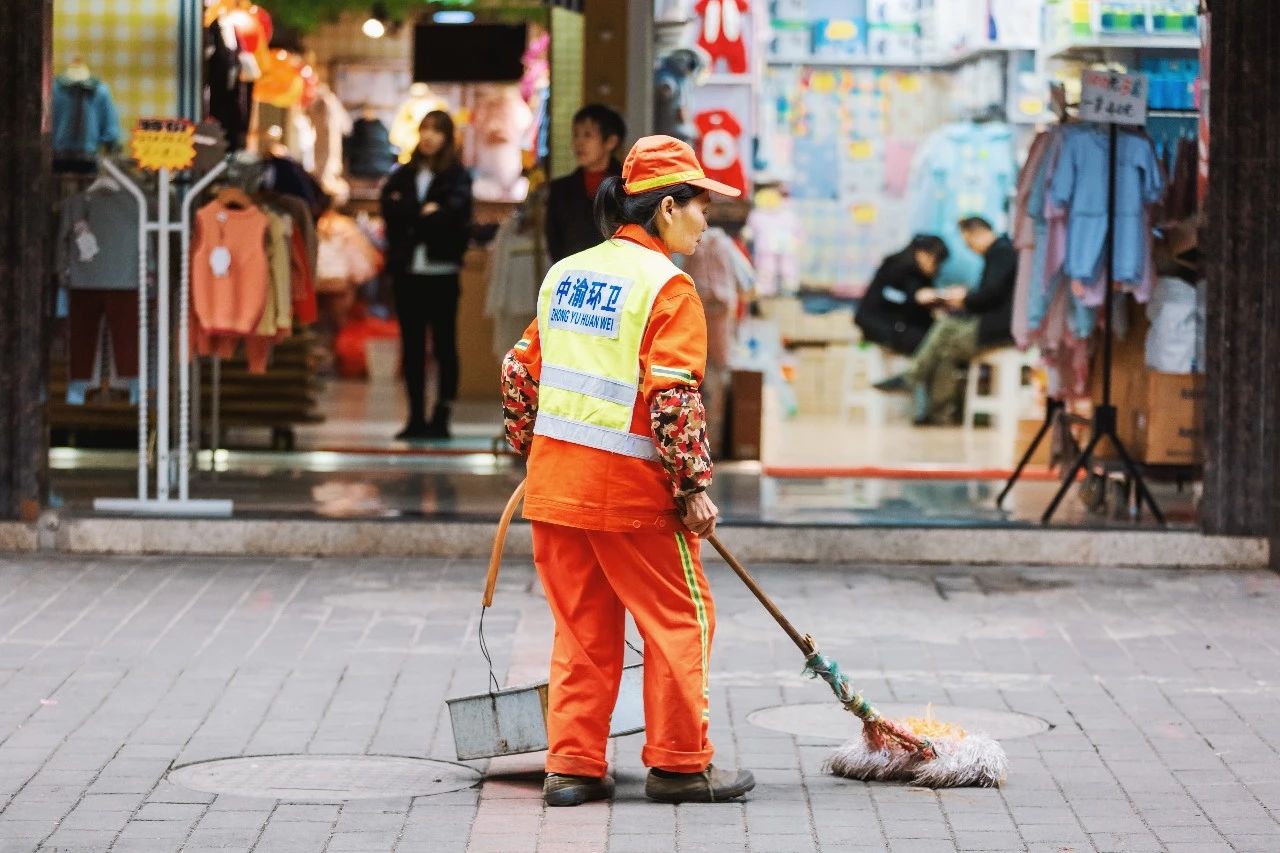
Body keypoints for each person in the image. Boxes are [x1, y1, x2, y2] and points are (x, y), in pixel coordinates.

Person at [501, 135, 756, 807]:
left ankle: (574, 766)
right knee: (682, 618)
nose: (708, 221)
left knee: (583, 630)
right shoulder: (667, 287)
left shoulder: (566, 273)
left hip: (556, 490)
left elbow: (518, 371)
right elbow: (673, 395)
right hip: (632, 496)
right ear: (668, 207)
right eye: (703, 207)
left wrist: (527, 447)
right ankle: (679, 763)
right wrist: (693, 487)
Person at [380, 110, 473, 440]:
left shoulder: (457, 175)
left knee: (445, 346)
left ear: (448, 137)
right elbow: (388, 209)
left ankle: (442, 414)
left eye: (437, 130)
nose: (430, 136)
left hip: (442, 272)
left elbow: (454, 218)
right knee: (412, 347)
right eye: (425, 129)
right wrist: (425, 214)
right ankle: (415, 416)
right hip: (408, 272)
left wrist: (414, 217)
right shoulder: (403, 174)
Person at [876, 217, 1017, 425]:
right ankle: (937, 413)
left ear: (973, 233)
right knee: (945, 348)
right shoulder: (1000, 253)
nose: (968, 247)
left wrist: (965, 299)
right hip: (997, 325)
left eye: (967, 241)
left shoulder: (1002, 253)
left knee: (946, 330)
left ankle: (913, 378)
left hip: (998, 328)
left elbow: (991, 294)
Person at [545, 104, 625, 263]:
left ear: (610, 142)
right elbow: (555, 241)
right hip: (574, 276)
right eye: (576, 135)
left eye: (587, 135)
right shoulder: (560, 189)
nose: (579, 143)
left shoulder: (627, 187)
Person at [854, 234, 950, 356]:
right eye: (937, 262)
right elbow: (893, 297)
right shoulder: (897, 266)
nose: (937, 268)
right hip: (881, 323)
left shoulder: (919, 273)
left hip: (896, 322)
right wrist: (917, 296)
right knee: (927, 343)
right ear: (924, 254)